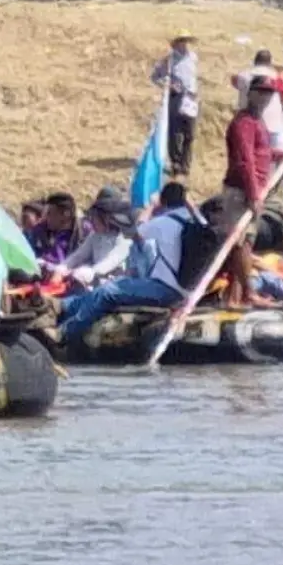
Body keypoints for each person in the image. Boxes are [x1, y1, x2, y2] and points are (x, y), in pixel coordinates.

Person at [57, 182, 197, 340]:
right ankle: (59, 306)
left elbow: (136, 231)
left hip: (166, 290)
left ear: (163, 202)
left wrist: (151, 206)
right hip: (186, 289)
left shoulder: (163, 223)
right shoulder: (195, 220)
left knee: (107, 292)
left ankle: (63, 333)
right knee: (103, 290)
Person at [217, 75, 277, 307]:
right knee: (240, 242)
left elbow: (263, 154)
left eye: (269, 93)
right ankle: (250, 293)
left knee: (246, 243)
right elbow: (245, 160)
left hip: (256, 191)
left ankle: (235, 298)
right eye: (261, 91)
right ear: (250, 93)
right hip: (241, 192)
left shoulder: (258, 122)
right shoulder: (243, 123)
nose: (265, 97)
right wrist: (253, 194)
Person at [51, 191, 136, 287]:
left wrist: (87, 272)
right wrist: (62, 268)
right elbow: (78, 256)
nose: (91, 221)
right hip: (95, 283)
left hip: (116, 286)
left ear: (107, 218)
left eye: (95, 217)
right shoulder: (95, 236)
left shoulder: (124, 240)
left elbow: (108, 263)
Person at [150, 31, 200, 176]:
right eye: (181, 41)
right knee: (176, 133)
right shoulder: (169, 61)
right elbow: (155, 77)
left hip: (191, 99)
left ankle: (186, 164)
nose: (184, 44)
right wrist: (168, 85)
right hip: (176, 98)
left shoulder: (193, 58)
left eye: (186, 41)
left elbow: (193, 77)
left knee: (189, 133)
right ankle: (176, 163)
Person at [28, 192, 79, 264]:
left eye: (49, 213)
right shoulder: (42, 231)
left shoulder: (83, 234)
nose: (46, 218)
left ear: (66, 214)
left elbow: (57, 259)